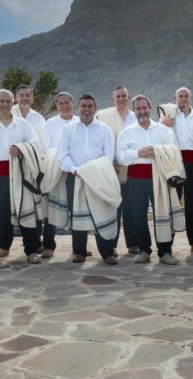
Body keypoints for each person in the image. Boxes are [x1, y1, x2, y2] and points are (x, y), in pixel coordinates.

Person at [0, 89, 42, 265]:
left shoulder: (23, 125)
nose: (5, 104)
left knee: (25, 211)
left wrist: (21, 149)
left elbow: (35, 144)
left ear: (13, 104)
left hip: (20, 173)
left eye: (8, 101)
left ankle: (31, 251)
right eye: (2, 101)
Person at [117, 95, 180, 264]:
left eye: (144, 108)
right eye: (138, 108)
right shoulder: (127, 132)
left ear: (150, 108)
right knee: (138, 215)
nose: (141, 111)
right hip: (135, 180)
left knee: (162, 214)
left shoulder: (163, 130)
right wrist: (137, 153)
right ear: (134, 111)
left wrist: (157, 151)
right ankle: (144, 250)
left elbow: (173, 150)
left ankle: (165, 252)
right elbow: (121, 157)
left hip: (158, 178)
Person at [59, 94, 117, 263]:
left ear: (95, 108)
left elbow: (109, 155)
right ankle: (79, 251)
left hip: (98, 178)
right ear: (79, 108)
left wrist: (93, 171)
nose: (86, 109)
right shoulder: (68, 129)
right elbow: (63, 155)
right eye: (83, 106)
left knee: (101, 212)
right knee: (77, 213)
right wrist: (76, 170)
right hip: (75, 176)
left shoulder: (104, 129)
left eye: (90, 106)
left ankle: (107, 253)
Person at [159, 87, 193, 256]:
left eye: (186, 96)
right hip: (175, 165)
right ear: (175, 98)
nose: (184, 99)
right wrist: (162, 123)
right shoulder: (169, 116)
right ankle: (167, 245)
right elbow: (158, 133)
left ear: (191, 98)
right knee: (172, 203)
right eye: (180, 96)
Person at [97, 86, 137, 253]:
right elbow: (98, 138)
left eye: (124, 96)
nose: (121, 99)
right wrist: (107, 160)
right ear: (113, 99)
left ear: (129, 97)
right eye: (118, 96)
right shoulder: (104, 115)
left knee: (130, 207)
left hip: (132, 168)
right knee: (113, 207)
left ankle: (132, 243)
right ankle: (111, 244)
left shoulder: (136, 117)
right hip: (110, 168)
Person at [38, 91, 77, 258]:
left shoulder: (80, 121)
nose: (64, 105)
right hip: (54, 171)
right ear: (57, 105)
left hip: (75, 171)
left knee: (76, 208)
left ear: (72, 103)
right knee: (51, 208)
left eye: (67, 102)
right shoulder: (50, 123)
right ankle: (48, 246)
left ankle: (78, 246)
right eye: (60, 103)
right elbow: (45, 146)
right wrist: (59, 162)